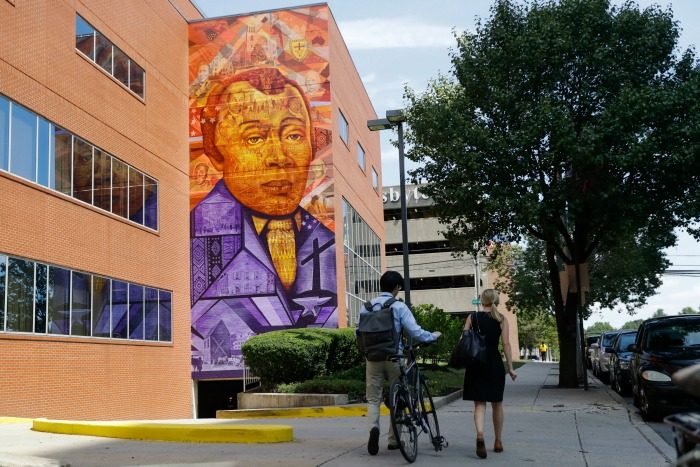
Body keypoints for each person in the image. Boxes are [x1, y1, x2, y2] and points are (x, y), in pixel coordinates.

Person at [190, 67, 337, 372]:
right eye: (254, 138)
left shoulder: (328, 243)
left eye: (294, 135)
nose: (278, 156)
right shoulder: (188, 240)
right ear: (216, 151)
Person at [363, 270, 441, 456]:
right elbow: (415, 331)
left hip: (372, 358)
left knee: (373, 399)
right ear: (397, 287)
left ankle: (374, 428)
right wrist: (433, 336)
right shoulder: (398, 306)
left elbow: (360, 333)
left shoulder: (366, 306)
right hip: (394, 357)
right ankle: (393, 440)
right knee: (398, 399)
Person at [462, 288, 517, 459]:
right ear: (496, 301)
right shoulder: (501, 319)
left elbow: (464, 339)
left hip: (476, 363)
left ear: (482, 300)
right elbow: (506, 345)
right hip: (494, 362)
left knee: (479, 403)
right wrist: (510, 367)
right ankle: (498, 441)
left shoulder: (472, 317)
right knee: (497, 403)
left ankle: (480, 434)